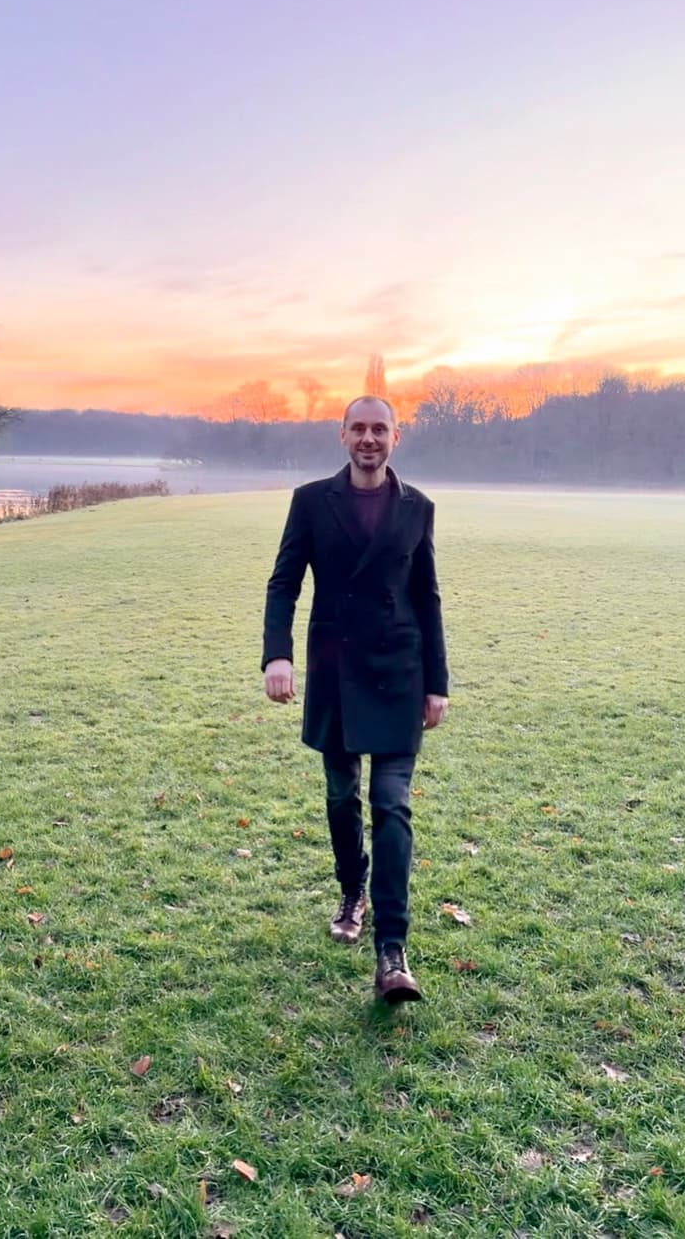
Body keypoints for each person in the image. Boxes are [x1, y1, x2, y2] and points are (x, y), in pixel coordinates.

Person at [262, 395, 449, 1003]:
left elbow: (427, 598)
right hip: (335, 669)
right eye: (359, 428)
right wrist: (278, 654)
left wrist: (437, 683)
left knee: (391, 805)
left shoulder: (418, 507)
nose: (369, 438)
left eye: (380, 429)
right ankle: (352, 890)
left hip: (399, 672)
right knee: (342, 795)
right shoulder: (312, 501)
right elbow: (284, 582)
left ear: (397, 437)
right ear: (342, 435)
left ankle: (392, 950)